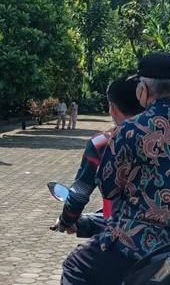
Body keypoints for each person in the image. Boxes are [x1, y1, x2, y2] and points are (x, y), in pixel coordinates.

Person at [60, 52, 170, 285]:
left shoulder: (130, 130)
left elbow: (109, 189)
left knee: (75, 266)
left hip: (136, 245)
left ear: (143, 89)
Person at [53, 75, 143, 233]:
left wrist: (66, 220)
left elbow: (79, 193)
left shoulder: (102, 143)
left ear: (112, 108)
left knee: (73, 259)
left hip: (125, 235)